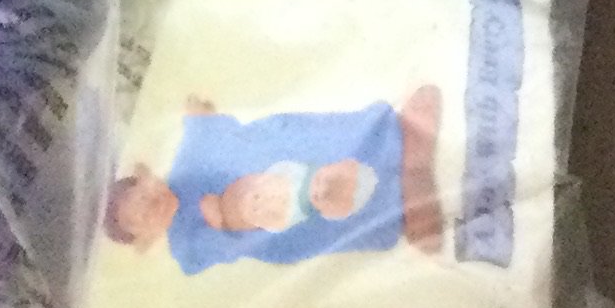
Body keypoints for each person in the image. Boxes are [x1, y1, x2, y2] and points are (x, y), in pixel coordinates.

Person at [102, 88, 441, 274]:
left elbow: (205, 132)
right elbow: (223, 250)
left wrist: (200, 116)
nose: (147, 207)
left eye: (140, 195)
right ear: (145, 240)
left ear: (146, 176)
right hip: (282, 222)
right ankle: (399, 208)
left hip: (283, 165)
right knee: (326, 219)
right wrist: (219, 224)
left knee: (310, 146)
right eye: (138, 220)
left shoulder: (188, 161)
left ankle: (396, 137)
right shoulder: (185, 244)